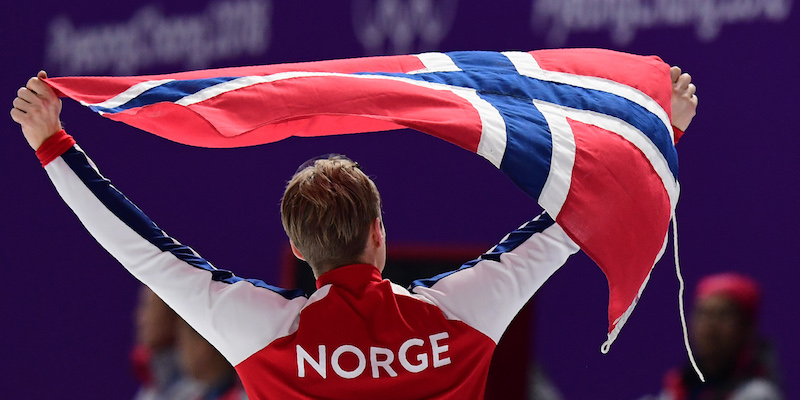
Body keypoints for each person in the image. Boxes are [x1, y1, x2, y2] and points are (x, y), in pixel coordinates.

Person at [11, 67, 697, 399]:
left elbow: (145, 250)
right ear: (379, 233)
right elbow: (576, 217)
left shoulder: (260, 329)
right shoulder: (464, 311)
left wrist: (53, 145)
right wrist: (653, 137)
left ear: (299, 251)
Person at [653, 273, 783, 400]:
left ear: (747, 327)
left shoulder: (759, 394)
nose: (710, 325)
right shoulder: (674, 390)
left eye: (723, 315)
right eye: (703, 314)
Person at [132, 286, 204, 400]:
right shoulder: (148, 391)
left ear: (175, 312)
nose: (140, 318)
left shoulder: (202, 387)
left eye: (147, 306)